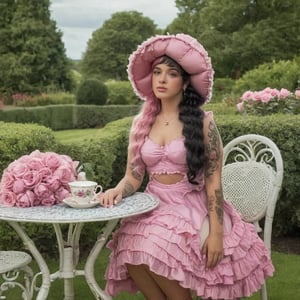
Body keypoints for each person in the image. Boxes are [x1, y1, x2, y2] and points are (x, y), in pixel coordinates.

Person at [97, 34, 274, 300]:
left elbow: (213, 181)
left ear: (184, 82)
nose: (162, 79)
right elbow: (133, 176)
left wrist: (216, 233)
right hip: (153, 206)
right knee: (130, 249)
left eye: (171, 74)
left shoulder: (202, 122)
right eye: (157, 72)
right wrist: (118, 190)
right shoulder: (141, 124)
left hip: (192, 206)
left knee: (153, 246)